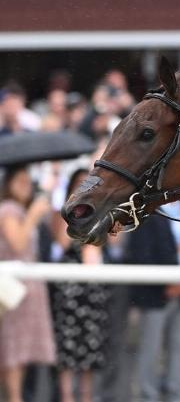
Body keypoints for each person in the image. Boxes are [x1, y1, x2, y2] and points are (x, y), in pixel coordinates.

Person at [50, 168, 109, 402]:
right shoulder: (62, 212)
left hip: (92, 290)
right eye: (79, 185)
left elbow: (107, 245)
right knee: (67, 350)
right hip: (69, 291)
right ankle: (67, 398)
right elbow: (62, 242)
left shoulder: (102, 213)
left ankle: (86, 398)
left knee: (89, 351)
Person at [124, 203, 180, 402]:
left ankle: (176, 394)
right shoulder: (146, 212)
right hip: (155, 295)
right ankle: (147, 396)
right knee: (150, 350)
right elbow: (140, 252)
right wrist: (168, 283)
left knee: (179, 350)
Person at [0, 164, 56, 402]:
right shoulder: (9, 209)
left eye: (27, 181)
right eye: (19, 180)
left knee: (22, 354)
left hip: (26, 290)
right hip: (12, 291)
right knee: (13, 352)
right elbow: (18, 244)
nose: (25, 185)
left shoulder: (21, 209)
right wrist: (33, 216)